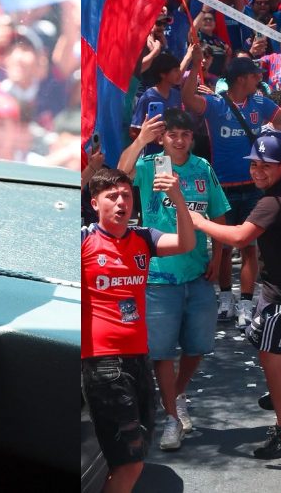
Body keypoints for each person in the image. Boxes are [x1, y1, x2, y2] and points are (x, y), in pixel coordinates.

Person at [188, 134, 281, 460]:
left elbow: (239, 237)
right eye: (255, 165)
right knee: (272, 337)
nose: (258, 171)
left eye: (267, 166)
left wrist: (199, 221)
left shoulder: (276, 201)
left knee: (268, 355)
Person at [115, 109, 228, 452]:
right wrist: (140, 140)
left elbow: (219, 215)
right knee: (162, 353)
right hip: (158, 277)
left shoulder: (202, 169)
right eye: (173, 135)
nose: (179, 141)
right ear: (163, 138)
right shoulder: (151, 166)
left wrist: (219, 261)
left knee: (198, 346)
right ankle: (172, 418)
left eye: (185, 135)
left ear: (192, 139)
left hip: (196, 273)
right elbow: (118, 174)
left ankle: (175, 395)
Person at [181, 52, 281, 328]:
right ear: (242, 79)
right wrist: (196, 64)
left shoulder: (261, 102)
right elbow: (187, 100)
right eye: (256, 75)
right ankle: (225, 299)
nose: (260, 78)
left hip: (253, 187)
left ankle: (245, 301)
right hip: (222, 189)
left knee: (250, 248)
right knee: (221, 246)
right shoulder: (216, 104)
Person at [81, 168, 194, 492]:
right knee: (129, 462)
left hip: (138, 358)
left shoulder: (144, 238)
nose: (121, 202)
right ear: (94, 202)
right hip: (103, 363)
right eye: (112, 196)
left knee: (133, 457)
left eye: (126, 196)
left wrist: (177, 199)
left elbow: (186, 242)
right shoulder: (85, 241)